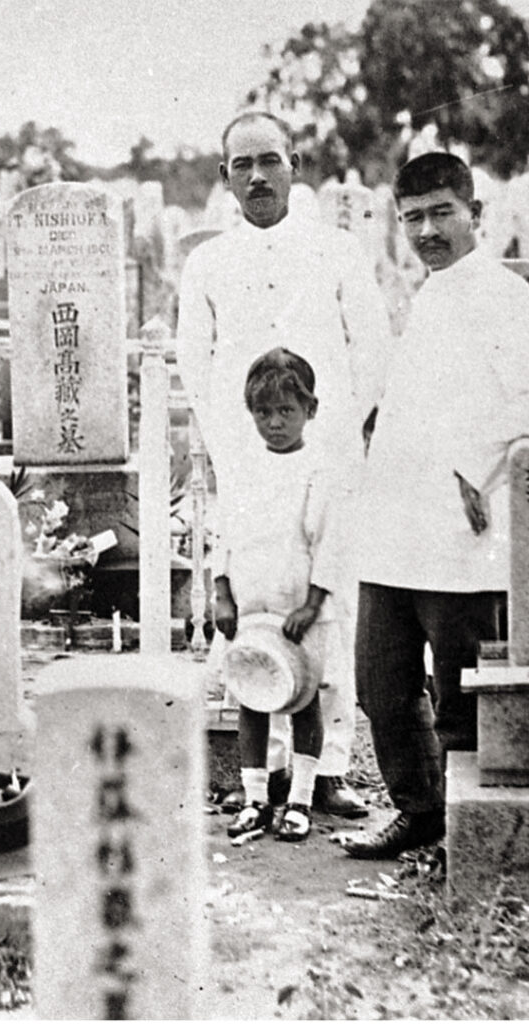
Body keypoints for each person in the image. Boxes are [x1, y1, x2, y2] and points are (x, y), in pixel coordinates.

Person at [177, 111, 391, 818]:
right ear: (225, 177)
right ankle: (261, 781)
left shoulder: (337, 251)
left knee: (327, 613)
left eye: (271, 160)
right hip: (247, 463)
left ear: (296, 164)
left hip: (326, 458)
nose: (258, 176)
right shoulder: (207, 262)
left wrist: (338, 438)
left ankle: (326, 771)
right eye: (243, 165)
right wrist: (233, 448)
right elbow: (195, 360)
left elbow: (370, 347)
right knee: (256, 616)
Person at [342, 152, 529, 859]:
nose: (427, 230)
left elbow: (522, 404)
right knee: (380, 684)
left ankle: (468, 833)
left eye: (441, 213)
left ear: (475, 215)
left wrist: (469, 472)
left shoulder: (506, 298)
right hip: (394, 529)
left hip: (462, 532)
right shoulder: (426, 296)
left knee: (459, 696)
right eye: (413, 218)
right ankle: (418, 810)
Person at [217, 349, 338, 842]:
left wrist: (311, 604)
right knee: (252, 693)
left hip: (298, 608)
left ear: (310, 410)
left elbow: (329, 541)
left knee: (302, 697)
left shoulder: (319, 469)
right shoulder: (242, 467)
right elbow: (224, 534)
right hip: (252, 603)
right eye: (264, 413)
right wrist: (222, 592)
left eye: (286, 411)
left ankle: (301, 799)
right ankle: (255, 798)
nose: (274, 423)